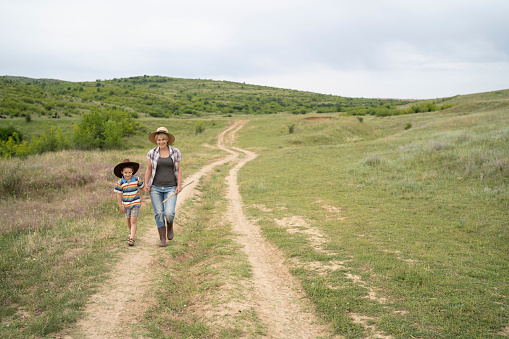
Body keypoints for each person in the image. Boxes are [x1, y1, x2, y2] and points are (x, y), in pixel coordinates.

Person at [144, 127, 182, 247]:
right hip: (155, 187)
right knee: (159, 212)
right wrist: (146, 183)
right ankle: (162, 238)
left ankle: (170, 226)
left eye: (163, 140)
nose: (161, 142)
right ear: (156, 141)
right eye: (158, 140)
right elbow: (149, 169)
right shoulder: (152, 153)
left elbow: (178, 169)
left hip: (171, 187)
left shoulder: (175, 152)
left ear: (167, 140)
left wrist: (179, 185)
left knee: (169, 212)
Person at [113, 159, 144, 246]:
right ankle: (131, 233)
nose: (128, 174)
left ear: (132, 172)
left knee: (133, 220)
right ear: (122, 172)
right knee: (128, 220)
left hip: (135, 203)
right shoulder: (120, 183)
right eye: (126, 172)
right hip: (126, 204)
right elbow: (119, 195)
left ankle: (132, 238)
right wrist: (120, 206)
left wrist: (148, 188)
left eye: (129, 172)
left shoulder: (137, 179)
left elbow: (142, 187)